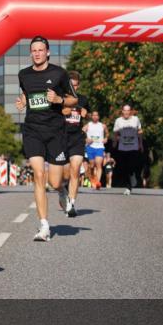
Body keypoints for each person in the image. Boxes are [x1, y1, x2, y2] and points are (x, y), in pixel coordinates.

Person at [14, 36, 77, 241]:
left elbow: (73, 99)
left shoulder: (59, 73)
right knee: (39, 175)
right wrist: (22, 101)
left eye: (41, 50)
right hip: (33, 130)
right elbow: (26, 94)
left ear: (48, 52)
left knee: (54, 181)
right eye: (34, 50)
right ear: (30, 53)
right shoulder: (24, 74)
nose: (37, 53)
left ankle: (62, 191)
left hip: (55, 131)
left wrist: (59, 99)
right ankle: (44, 226)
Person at [61, 71, 88, 217]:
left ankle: (71, 203)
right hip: (62, 138)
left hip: (77, 138)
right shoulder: (60, 98)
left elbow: (87, 115)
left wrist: (86, 113)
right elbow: (56, 114)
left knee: (76, 169)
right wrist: (64, 111)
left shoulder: (83, 99)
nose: (73, 88)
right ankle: (64, 189)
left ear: (79, 85)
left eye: (76, 86)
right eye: (71, 85)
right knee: (65, 174)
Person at [112, 104, 143, 195]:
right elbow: (116, 133)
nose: (126, 112)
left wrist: (141, 144)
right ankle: (128, 187)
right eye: (124, 110)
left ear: (130, 111)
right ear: (122, 111)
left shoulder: (135, 119)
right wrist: (115, 142)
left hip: (133, 147)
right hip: (122, 147)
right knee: (124, 168)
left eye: (128, 110)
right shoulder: (118, 121)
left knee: (132, 165)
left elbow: (140, 131)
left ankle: (132, 174)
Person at [84, 110, 107, 189]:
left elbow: (107, 133)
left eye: (96, 115)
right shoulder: (88, 125)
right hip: (90, 147)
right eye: (93, 115)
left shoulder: (103, 126)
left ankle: (97, 183)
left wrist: (106, 138)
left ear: (98, 117)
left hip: (99, 147)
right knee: (92, 165)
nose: (95, 116)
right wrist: (86, 139)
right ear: (91, 116)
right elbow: (81, 132)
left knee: (98, 165)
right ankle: (91, 179)